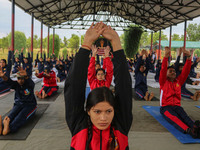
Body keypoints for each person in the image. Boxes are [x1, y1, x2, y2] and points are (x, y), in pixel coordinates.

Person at [64, 22, 133, 149]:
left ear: (115, 110)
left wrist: (116, 43)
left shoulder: (120, 125)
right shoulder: (79, 125)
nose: (103, 118)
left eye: (108, 111)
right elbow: (73, 87)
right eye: (97, 111)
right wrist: (86, 44)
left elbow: (124, 87)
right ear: (88, 111)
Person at [159, 46, 200, 138]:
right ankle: (189, 131)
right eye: (170, 71)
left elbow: (185, 72)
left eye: (174, 71)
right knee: (175, 118)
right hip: (166, 108)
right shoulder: (163, 82)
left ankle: (195, 127)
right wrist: (165, 57)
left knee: (185, 117)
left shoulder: (179, 82)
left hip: (177, 106)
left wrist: (189, 58)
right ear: (166, 74)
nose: (173, 72)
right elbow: (163, 70)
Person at [0, 67, 37, 135]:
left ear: (24, 78)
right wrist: (3, 76)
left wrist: (26, 76)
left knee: (21, 116)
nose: (20, 80)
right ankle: (3, 126)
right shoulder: (16, 85)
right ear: (17, 79)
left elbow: (31, 83)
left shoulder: (29, 84)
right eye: (18, 78)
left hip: (30, 105)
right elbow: (8, 81)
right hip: (18, 104)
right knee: (11, 115)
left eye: (22, 78)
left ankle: (9, 127)